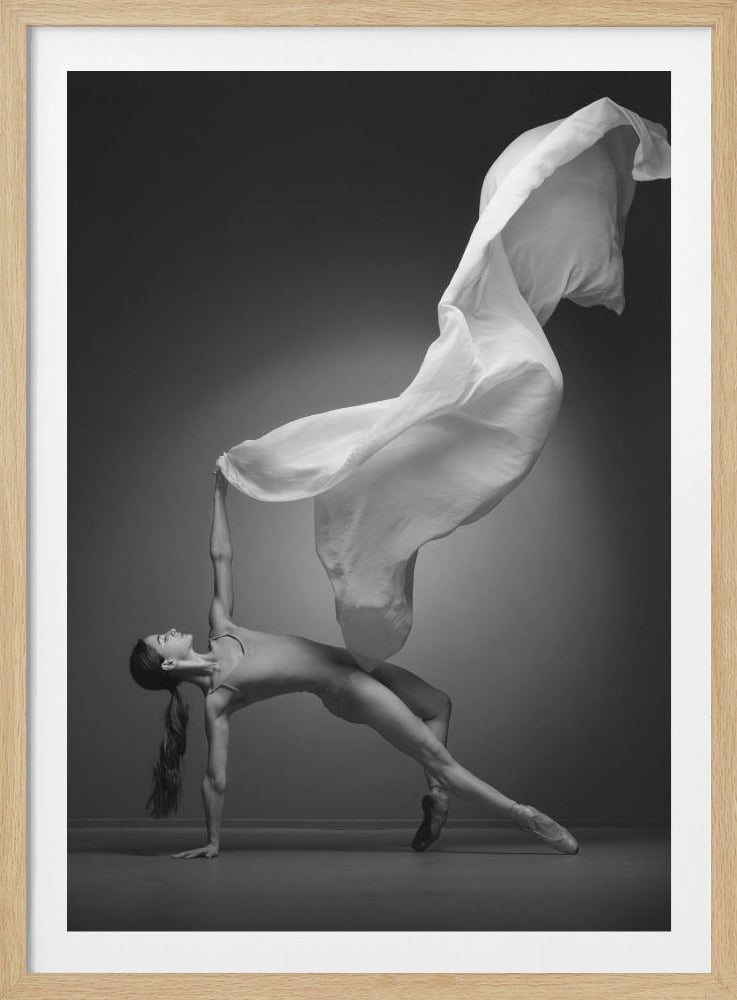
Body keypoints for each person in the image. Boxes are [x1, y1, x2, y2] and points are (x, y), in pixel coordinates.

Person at [129, 470, 580, 860]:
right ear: (168, 666)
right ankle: (525, 817)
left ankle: (438, 802)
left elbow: (221, 557)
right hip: (347, 690)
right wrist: (212, 839)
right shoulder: (218, 700)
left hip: (355, 660)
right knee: (436, 757)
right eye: (163, 640)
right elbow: (215, 778)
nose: (169, 631)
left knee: (439, 704)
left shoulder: (221, 627)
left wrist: (219, 495)